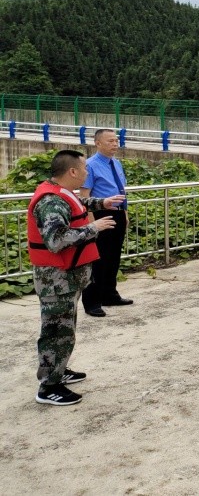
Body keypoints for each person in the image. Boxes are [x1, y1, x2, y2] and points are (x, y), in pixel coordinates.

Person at [28, 150, 123, 405]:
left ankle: (59, 369)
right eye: (84, 169)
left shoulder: (63, 192)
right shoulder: (51, 201)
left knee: (65, 328)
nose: (87, 172)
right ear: (72, 172)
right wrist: (93, 228)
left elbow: (79, 205)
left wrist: (102, 204)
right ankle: (49, 387)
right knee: (57, 330)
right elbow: (56, 240)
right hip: (55, 278)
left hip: (67, 277)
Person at [80, 128, 131, 317]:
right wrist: (92, 221)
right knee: (97, 258)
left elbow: (121, 190)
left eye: (116, 141)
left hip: (117, 213)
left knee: (113, 256)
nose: (115, 144)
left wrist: (124, 213)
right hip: (99, 214)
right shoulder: (90, 165)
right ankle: (92, 301)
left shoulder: (116, 163)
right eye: (110, 141)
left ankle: (110, 294)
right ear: (98, 143)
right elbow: (85, 195)